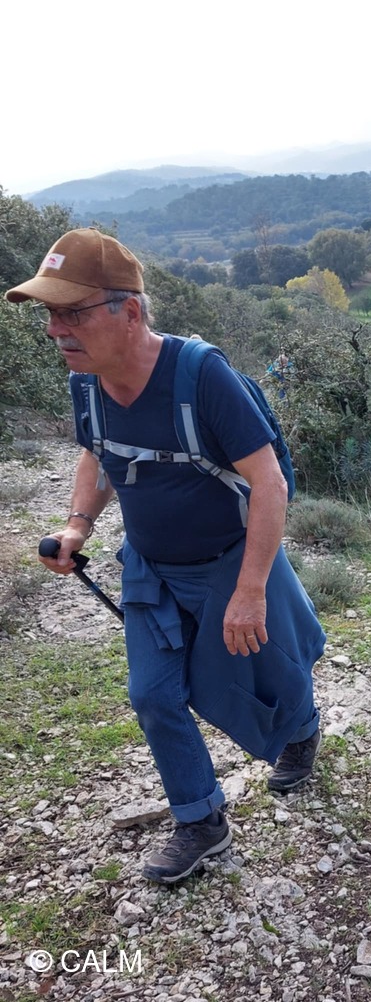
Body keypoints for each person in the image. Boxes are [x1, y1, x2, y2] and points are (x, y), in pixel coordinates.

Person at [5, 228, 326, 884]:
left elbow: (268, 483)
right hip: (150, 567)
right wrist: (77, 527)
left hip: (232, 561)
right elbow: (97, 453)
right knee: (152, 695)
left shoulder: (201, 376)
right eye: (50, 315)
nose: (55, 330)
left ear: (129, 310)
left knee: (269, 677)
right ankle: (201, 819)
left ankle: (301, 731)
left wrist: (250, 590)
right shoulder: (86, 383)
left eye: (72, 313)